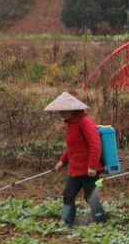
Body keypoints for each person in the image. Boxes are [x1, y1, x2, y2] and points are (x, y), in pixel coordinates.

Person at [45, 92, 108, 228]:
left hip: (89, 169)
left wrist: (92, 165)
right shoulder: (70, 124)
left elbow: (95, 144)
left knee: (90, 197)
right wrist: (63, 161)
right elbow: (73, 147)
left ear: (73, 109)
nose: (62, 114)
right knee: (68, 195)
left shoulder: (85, 122)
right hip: (76, 168)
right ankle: (66, 225)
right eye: (60, 111)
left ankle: (101, 223)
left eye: (64, 111)